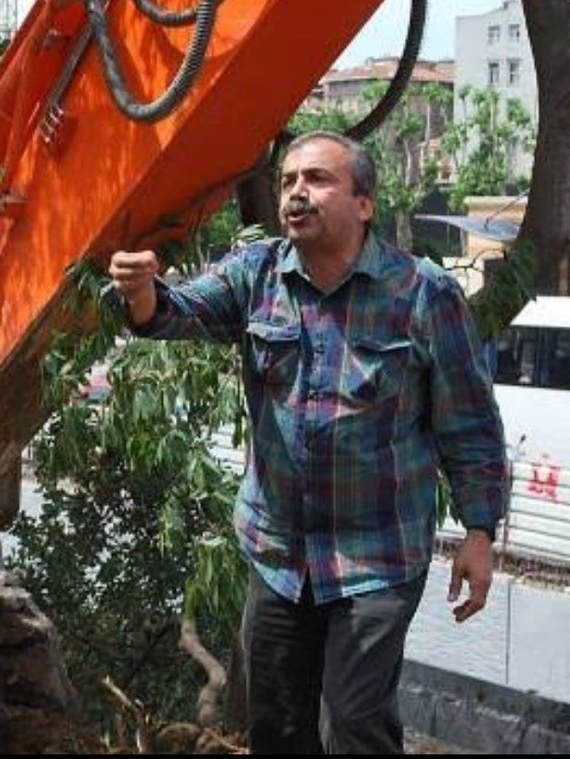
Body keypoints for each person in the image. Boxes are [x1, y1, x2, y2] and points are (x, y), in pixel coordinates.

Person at [109, 131, 508, 754]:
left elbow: (472, 426)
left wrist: (480, 532)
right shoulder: (256, 275)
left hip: (377, 557)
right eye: (289, 180)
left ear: (364, 204)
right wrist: (139, 293)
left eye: (317, 179)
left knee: (354, 722)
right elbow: (175, 312)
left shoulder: (423, 294)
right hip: (278, 554)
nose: (297, 192)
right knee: (277, 727)